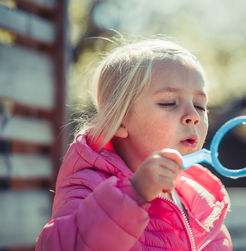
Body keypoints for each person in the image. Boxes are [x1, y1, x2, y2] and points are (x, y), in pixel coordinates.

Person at [35, 38, 232, 250]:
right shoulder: (89, 184)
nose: (193, 116)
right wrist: (133, 194)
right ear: (120, 121)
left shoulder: (199, 199)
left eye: (200, 106)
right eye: (169, 102)